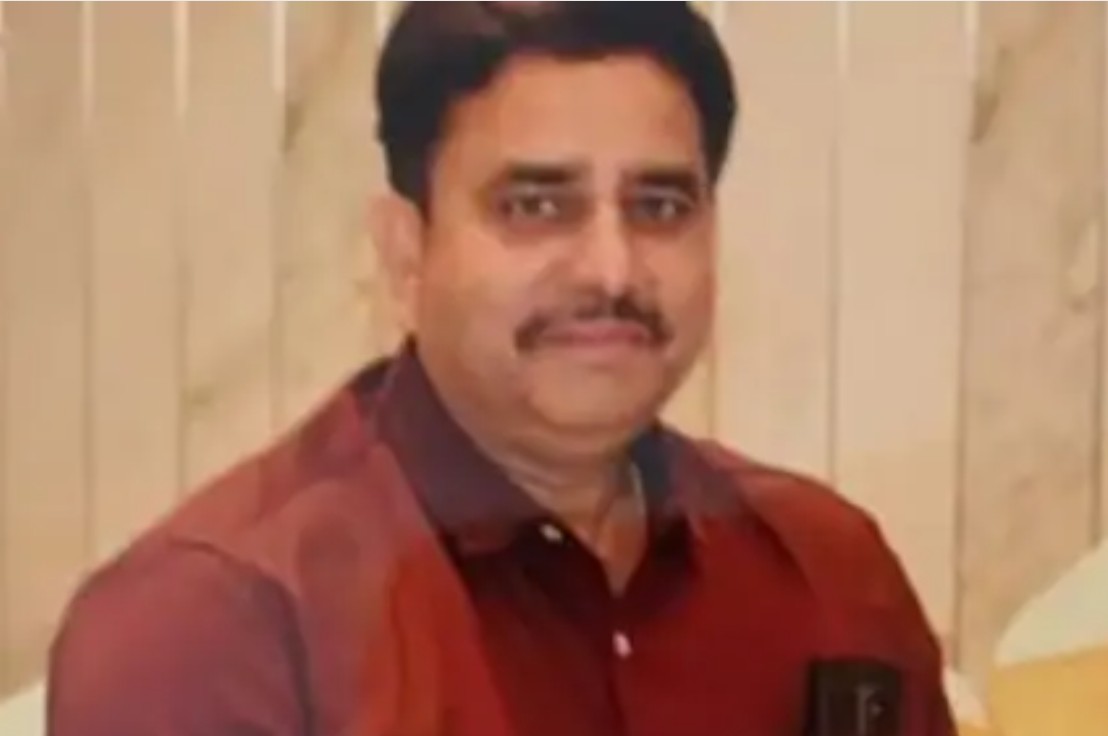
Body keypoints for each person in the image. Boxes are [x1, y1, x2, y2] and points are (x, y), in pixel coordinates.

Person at [47, 3, 954, 735]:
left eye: (659, 205)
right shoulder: (214, 624)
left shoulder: (830, 574)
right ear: (406, 253)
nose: (612, 270)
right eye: (536, 206)